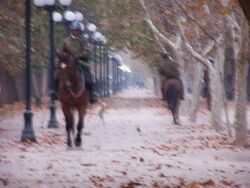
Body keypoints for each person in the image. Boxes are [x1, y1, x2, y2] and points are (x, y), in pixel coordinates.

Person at [55, 20, 97, 103]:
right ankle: (55, 93)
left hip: (80, 62)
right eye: (73, 30)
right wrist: (63, 56)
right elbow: (61, 50)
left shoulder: (83, 41)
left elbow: (87, 51)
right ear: (70, 31)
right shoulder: (65, 41)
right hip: (67, 62)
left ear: (79, 31)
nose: (74, 32)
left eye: (76, 30)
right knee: (58, 74)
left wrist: (80, 55)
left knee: (89, 77)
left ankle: (92, 95)